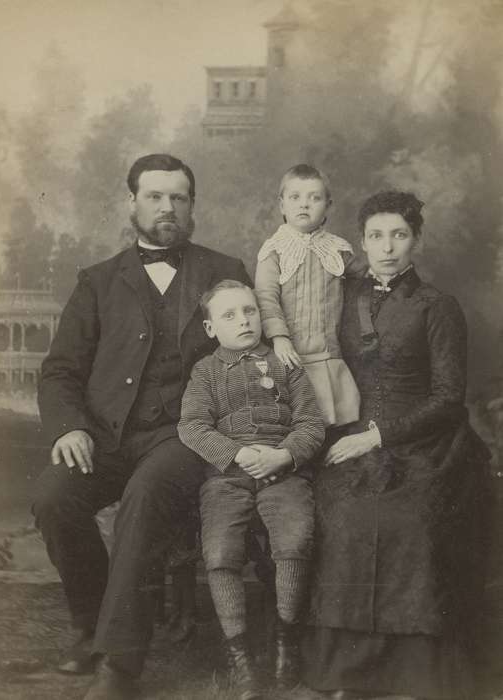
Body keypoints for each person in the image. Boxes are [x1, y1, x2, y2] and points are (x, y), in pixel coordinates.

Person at [32, 154, 251, 700]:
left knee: (146, 494)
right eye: (154, 196)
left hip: (186, 435)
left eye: (178, 197)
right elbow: (60, 370)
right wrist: (67, 428)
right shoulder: (98, 281)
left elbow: (250, 357)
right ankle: (91, 624)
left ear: (192, 205)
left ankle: (120, 665)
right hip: (106, 436)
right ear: (132, 203)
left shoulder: (224, 271)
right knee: (54, 497)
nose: (167, 208)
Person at [300, 191, 491, 699]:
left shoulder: (437, 307)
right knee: (345, 517)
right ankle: (349, 673)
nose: (387, 247)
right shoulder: (342, 296)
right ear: (361, 241)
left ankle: (414, 673)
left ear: (417, 241)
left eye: (399, 235)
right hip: (351, 435)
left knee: (410, 522)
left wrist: (379, 436)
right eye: (377, 236)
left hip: (427, 443)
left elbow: (450, 398)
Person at [177, 280, 325, 699]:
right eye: (229, 315)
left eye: (249, 311)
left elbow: (312, 424)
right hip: (228, 477)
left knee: (295, 540)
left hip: (283, 472)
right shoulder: (206, 371)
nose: (243, 321)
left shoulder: (285, 361)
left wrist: (284, 456)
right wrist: (237, 455)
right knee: (221, 551)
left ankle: (286, 640)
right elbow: (192, 426)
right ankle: (239, 654)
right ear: (210, 329)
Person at [254, 163, 360, 439]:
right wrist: (279, 337)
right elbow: (266, 297)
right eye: (295, 197)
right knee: (297, 424)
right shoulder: (273, 250)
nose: (304, 205)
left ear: (328, 205)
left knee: (335, 424)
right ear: (281, 205)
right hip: (290, 353)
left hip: (331, 352)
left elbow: (365, 281)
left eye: (314, 198)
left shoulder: (338, 248)